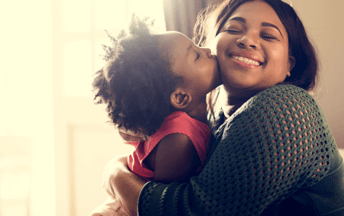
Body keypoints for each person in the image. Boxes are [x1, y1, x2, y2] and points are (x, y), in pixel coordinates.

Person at [99, 0, 344, 215]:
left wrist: (115, 174)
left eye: (268, 35)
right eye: (233, 29)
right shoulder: (213, 115)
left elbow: (194, 211)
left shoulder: (285, 108)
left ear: (289, 63)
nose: (247, 40)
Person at [90, 15, 221, 216]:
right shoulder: (179, 138)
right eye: (196, 55)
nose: (207, 50)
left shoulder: (191, 119)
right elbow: (161, 206)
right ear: (180, 97)